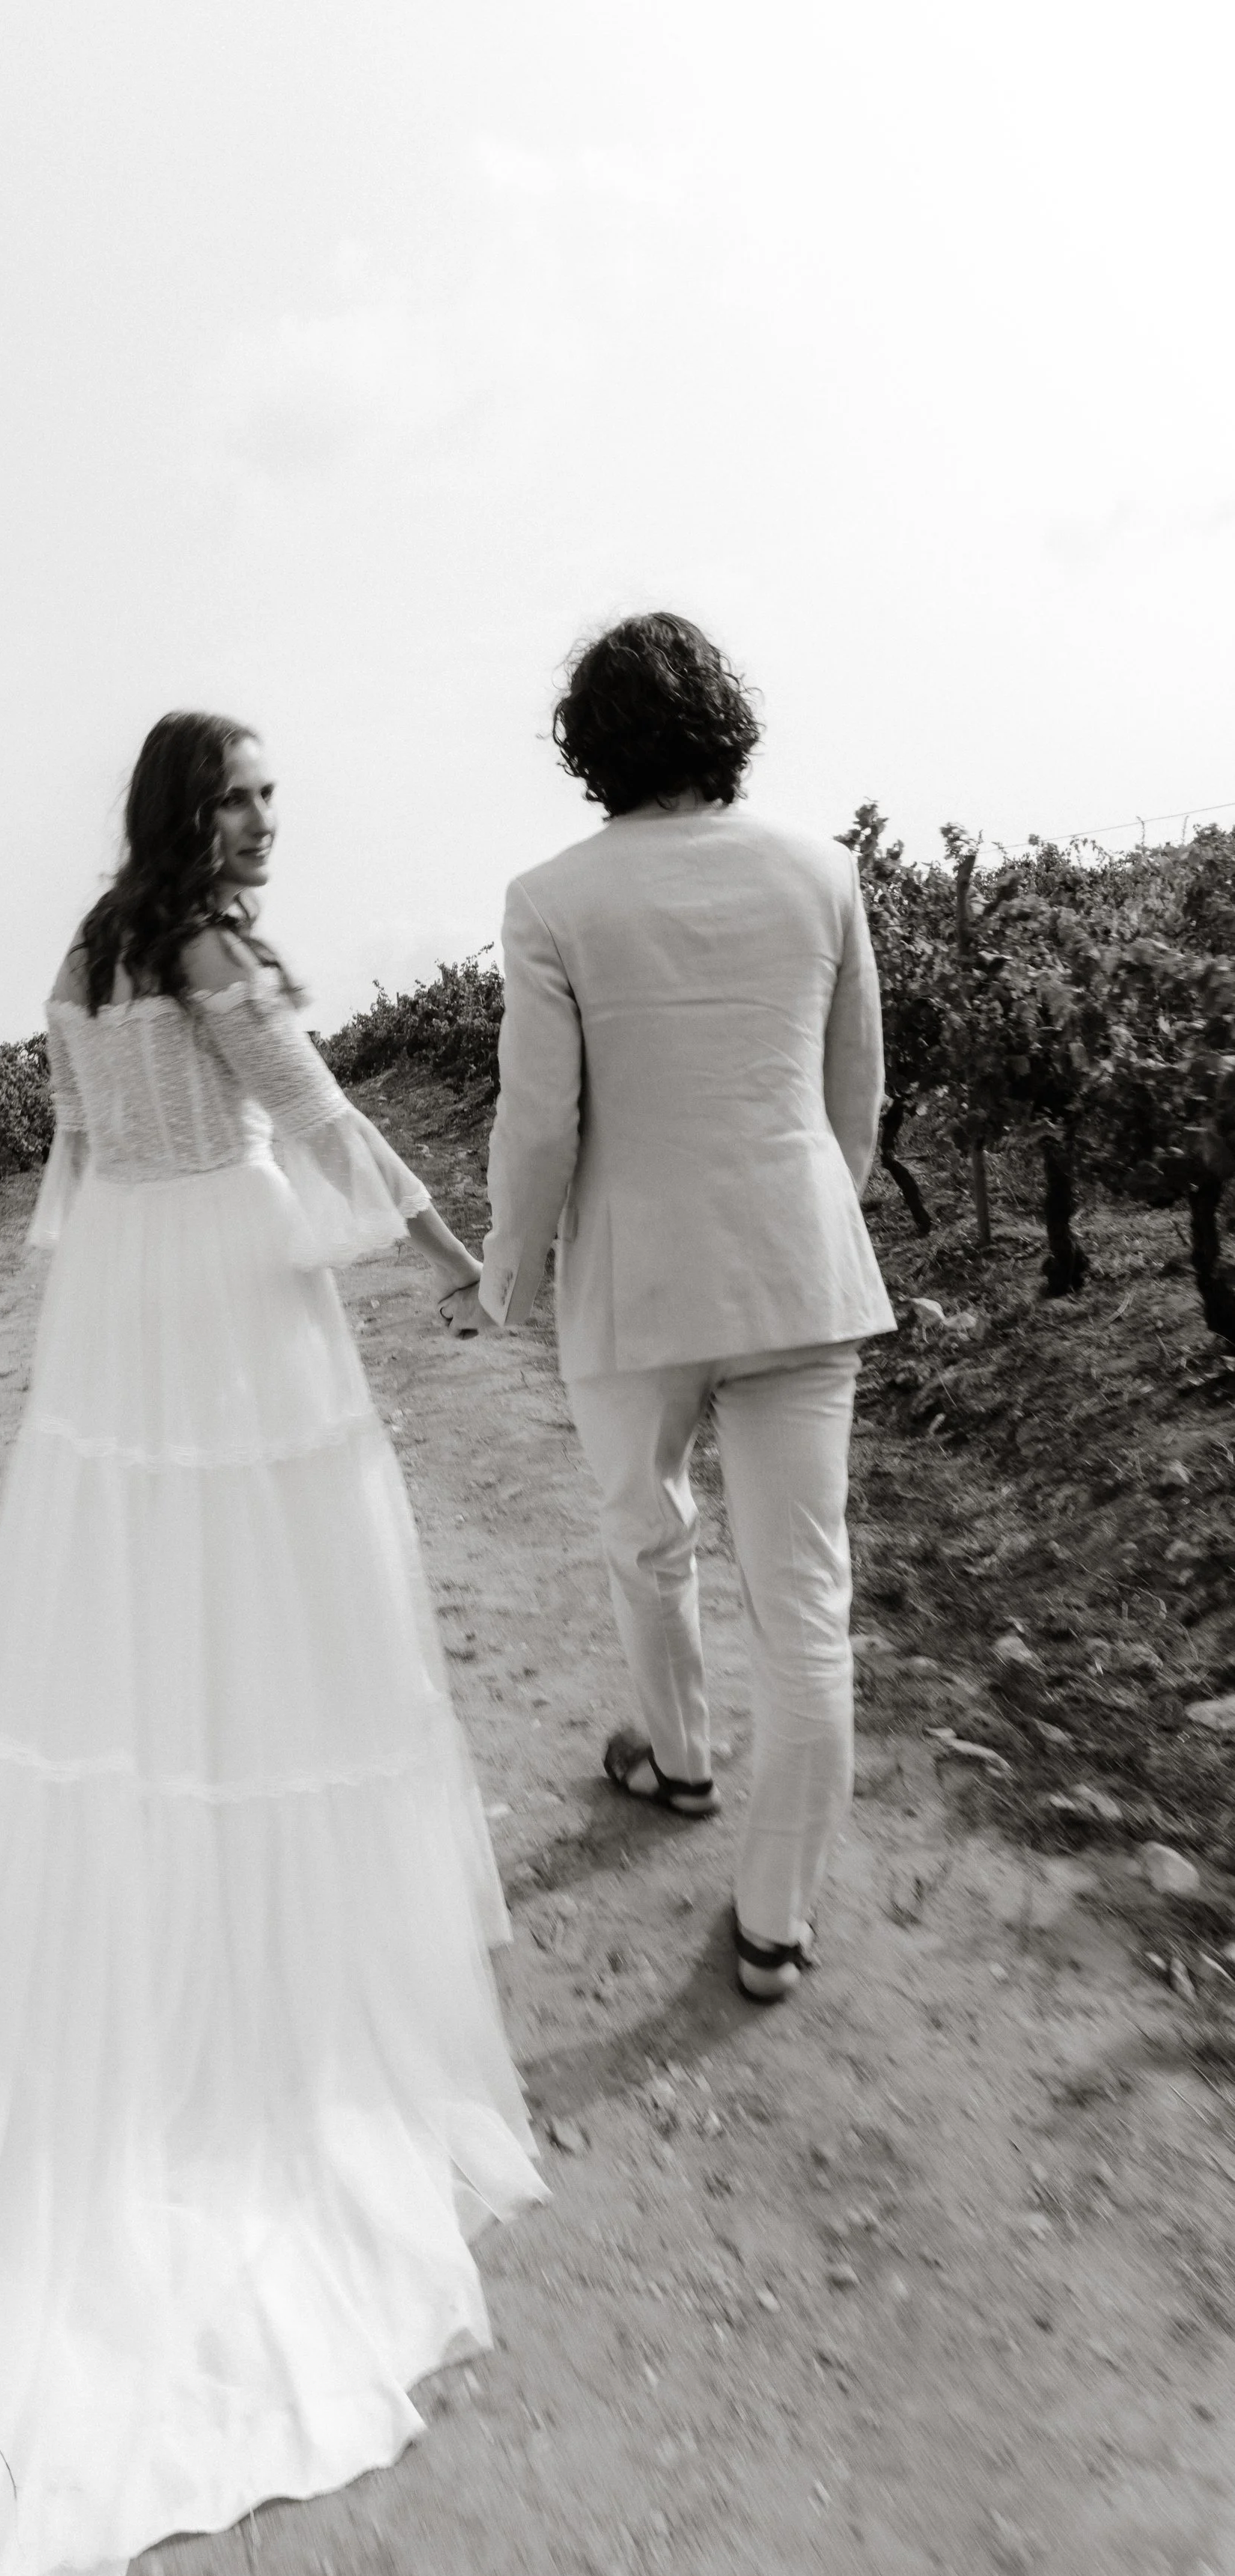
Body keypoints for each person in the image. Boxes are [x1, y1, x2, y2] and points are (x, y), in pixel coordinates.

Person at [0, 712, 543, 2576]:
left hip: (128, 1303)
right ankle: (258, 1971)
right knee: (281, 1607)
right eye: (242, 789)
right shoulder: (214, 952)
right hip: (231, 1291)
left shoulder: (86, 957)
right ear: (191, 810)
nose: (266, 814)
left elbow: (75, 1166)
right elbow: (316, 1118)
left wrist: (120, 1268)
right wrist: (452, 1255)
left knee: (141, 1614)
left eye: (269, 789)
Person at [441, 615, 894, 2001]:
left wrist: (506, 1273)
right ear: (724, 719)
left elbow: (538, 1123)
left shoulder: (552, 898)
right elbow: (856, 1092)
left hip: (636, 1283)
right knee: (804, 1599)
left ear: (589, 746)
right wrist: (813, 1222)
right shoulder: (823, 871)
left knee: (646, 1535)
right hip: (799, 1269)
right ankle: (775, 1921)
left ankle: (681, 1758)